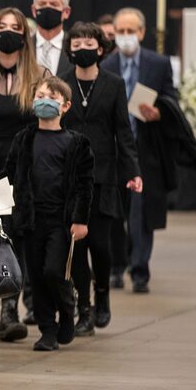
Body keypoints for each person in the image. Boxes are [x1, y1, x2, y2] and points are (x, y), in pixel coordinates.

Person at [60, 22, 142, 335]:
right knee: (77, 245)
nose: (83, 49)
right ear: (70, 49)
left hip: (104, 175)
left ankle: (103, 295)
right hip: (70, 175)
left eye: (89, 44)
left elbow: (123, 130)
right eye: (77, 44)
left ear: (100, 48)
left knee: (101, 244)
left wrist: (132, 171)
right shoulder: (62, 82)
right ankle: (84, 309)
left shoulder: (114, 83)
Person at [5, 77, 93, 351]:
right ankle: (47, 330)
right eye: (39, 95)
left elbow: (84, 184)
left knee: (54, 271)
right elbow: (9, 174)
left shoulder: (76, 142)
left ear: (65, 106)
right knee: (37, 276)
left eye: (51, 98)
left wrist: (80, 220)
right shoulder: (24, 138)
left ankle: (68, 309)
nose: (43, 101)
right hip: (32, 221)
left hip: (61, 222)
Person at [100, 8, 180, 293]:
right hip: (113, 149)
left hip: (145, 148)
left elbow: (172, 98)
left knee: (141, 212)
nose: (124, 37)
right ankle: (115, 267)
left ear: (142, 33)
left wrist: (159, 111)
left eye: (130, 31)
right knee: (113, 212)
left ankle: (140, 268)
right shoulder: (106, 65)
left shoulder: (158, 64)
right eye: (120, 31)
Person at [0, 6, 50, 337]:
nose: (8, 32)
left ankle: (35, 301)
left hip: (29, 169)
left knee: (28, 235)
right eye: (1, 26)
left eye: (15, 27)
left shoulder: (40, 76)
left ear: (25, 36)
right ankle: (7, 311)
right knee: (0, 237)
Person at [31, 0, 74, 76]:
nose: (47, 8)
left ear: (66, 12)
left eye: (54, 4)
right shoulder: (23, 46)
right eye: (42, 4)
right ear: (34, 11)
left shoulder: (74, 47)